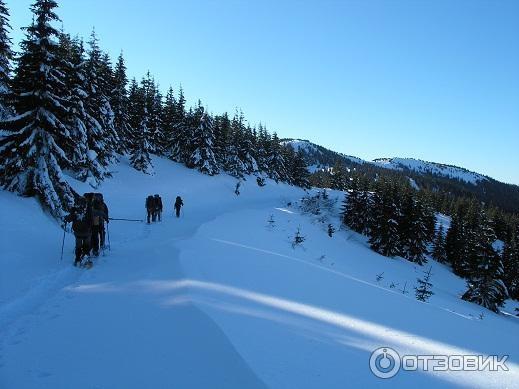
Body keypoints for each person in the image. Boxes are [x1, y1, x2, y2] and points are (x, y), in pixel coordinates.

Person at [64, 197, 92, 267]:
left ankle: (77, 259)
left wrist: (66, 218)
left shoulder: (74, 210)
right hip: (87, 232)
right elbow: (91, 219)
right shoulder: (88, 209)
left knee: (78, 246)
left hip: (77, 232)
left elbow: (69, 219)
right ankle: (86, 258)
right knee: (86, 245)